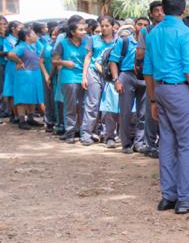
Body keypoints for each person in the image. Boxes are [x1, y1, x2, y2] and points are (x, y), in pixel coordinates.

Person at [143, 0, 189, 214]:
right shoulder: (185, 33)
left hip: (161, 89)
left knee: (167, 143)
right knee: (188, 145)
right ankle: (186, 198)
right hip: (179, 90)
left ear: (163, 9)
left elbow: (148, 71)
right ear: (183, 10)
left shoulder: (153, 33)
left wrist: (153, 99)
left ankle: (169, 196)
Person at [109, 21, 147, 153]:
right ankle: (126, 144)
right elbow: (113, 61)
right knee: (125, 112)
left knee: (143, 113)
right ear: (134, 26)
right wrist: (116, 80)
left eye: (145, 25)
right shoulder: (124, 41)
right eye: (139, 24)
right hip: (127, 76)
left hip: (145, 78)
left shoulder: (151, 43)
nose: (142, 27)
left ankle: (139, 143)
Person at [79, 14, 117, 144]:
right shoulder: (93, 39)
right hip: (94, 73)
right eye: (102, 26)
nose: (104, 28)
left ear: (113, 27)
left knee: (108, 105)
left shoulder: (118, 41)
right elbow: (88, 57)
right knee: (92, 103)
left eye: (107, 26)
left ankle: (108, 135)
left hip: (109, 75)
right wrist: (84, 77)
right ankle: (86, 134)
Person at [52, 16, 89, 143]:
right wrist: (64, 63)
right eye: (81, 30)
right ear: (73, 32)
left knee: (83, 105)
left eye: (84, 30)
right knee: (70, 106)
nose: (84, 32)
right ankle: (70, 132)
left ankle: (83, 131)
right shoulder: (63, 43)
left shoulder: (87, 42)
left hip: (84, 76)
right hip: (69, 77)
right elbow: (54, 60)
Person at [136, 0, 165, 157]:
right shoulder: (146, 31)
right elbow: (140, 53)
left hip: (165, 75)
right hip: (152, 74)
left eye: (162, 10)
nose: (159, 13)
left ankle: (163, 143)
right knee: (150, 108)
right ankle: (150, 143)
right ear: (151, 13)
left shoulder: (168, 29)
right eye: (156, 11)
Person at [6, 26, 46, 129]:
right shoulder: (22, 46)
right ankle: (22, 120)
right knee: (22, 98)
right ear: (27, 37)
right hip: (24, 75)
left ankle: (31, 118)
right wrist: (19, 61)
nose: (35, 36)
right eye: (33, 34)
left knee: (32, 96)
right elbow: (11, 54)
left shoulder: (33, 45)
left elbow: (42, 51)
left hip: (34, 74)